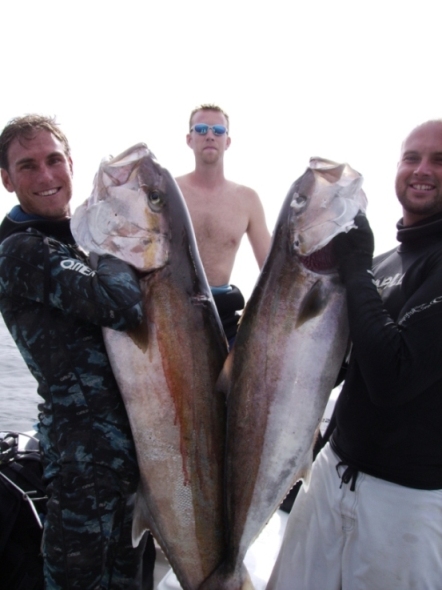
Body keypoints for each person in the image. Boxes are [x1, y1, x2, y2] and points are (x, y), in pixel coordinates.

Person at [267, 120, 442, 590]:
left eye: (439, 160)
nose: (423, 169)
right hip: (329, 476)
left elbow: (393, 378)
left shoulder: (376, 264)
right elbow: (341, 367)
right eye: (412, 157)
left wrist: (355, 268)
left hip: (406, 504)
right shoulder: (385, 262)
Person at [0, 115, 155, 589]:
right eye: (27, 166)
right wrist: (114, 233)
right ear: (6, 179)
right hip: (81, 460)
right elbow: (119, 302)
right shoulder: (20, 250)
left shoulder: (77, 239)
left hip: (137, 455)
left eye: (53, 160)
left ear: (71, 163)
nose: (46, 177)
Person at [176, 104, 271, 344]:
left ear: (227, 141)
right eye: (201, 129)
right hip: (174, 311)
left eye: (218, 130)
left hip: (226, 318)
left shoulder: (247, 199)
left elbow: (271, 268)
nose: (210, 135)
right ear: (189, 139)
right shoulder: (170, 193)